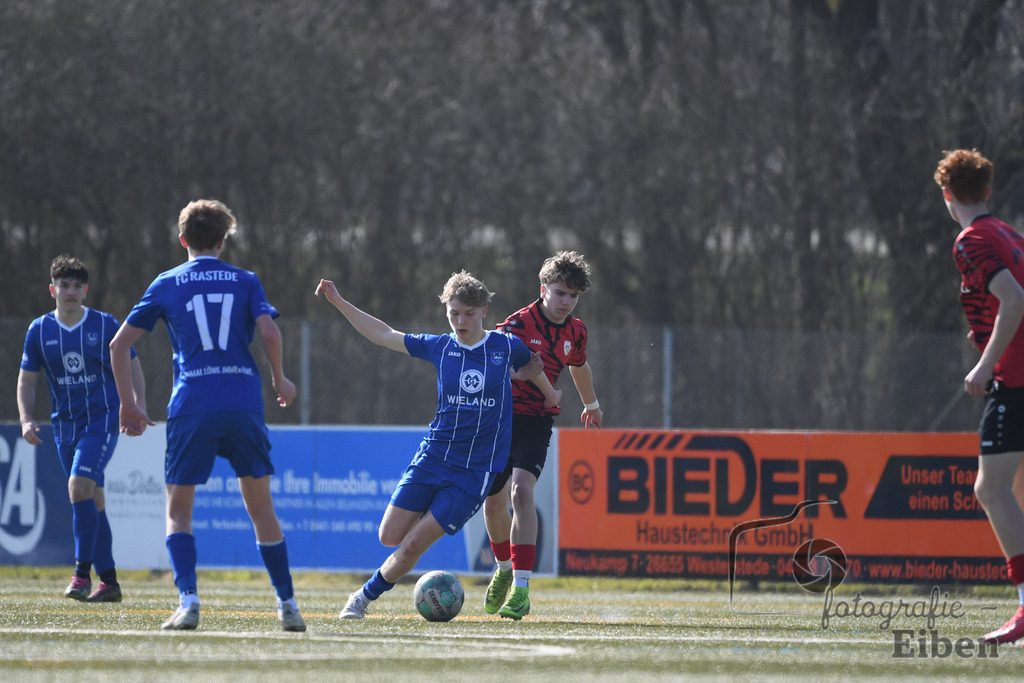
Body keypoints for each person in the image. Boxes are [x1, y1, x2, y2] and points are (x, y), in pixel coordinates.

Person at [108, 199, 305, 632]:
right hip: (242, 402)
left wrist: (129, 403)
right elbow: (270, 330)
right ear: (222, 240)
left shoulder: (166, 283)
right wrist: (280, 378)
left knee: (178, 510)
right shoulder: (246, 280)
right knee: (261, 509)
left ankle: (189, 601)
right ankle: (288, 604)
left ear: (183, 241)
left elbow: (118, 346)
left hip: (192, 403)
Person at [314, 271, 542, 619]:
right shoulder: (440, 347)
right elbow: (383, 334)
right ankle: (426, 518)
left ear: (484, 311)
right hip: (433, 457)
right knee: (389, 537)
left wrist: (548, 392)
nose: (460, 321)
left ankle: (360, 599)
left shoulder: (505, 346)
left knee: (413, 545)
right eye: (453, 313)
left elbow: (532, 365)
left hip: (472, 474)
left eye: (468, 313)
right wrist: (339, 302)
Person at [481, 250, 603, 620]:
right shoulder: (517, 325)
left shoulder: (576, 331)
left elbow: (578, 365)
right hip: (502, 418)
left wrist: (592, 403)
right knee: (493, 502)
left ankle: (521, 588)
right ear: (543, 289)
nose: (566, 302)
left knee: (522, 490)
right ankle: (503, 569)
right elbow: (491, 365)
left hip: (536, 420)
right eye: (560, 293)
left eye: (573, 296)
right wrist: (518, 375)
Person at [17, 255, 147, 604]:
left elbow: (132, 363)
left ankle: (80, 575)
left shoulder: (105, 325)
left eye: (77, 286)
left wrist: (136, 404)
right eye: (64, 285)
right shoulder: (39, 330)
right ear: (52, 290)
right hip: (64, 426)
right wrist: (27, 418)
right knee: (93, 497)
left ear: (85, 290)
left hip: (102, 419)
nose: (70, 291)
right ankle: (110, 582)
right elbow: (27, 381)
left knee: (78, 487)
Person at [935, 149, 1024, 644]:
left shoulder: (971, 239)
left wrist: (987, 362)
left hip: (1015, 376)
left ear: (947, 195)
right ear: (987, 190)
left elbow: (1014, 299)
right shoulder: (1010, 233)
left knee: (991, 489)